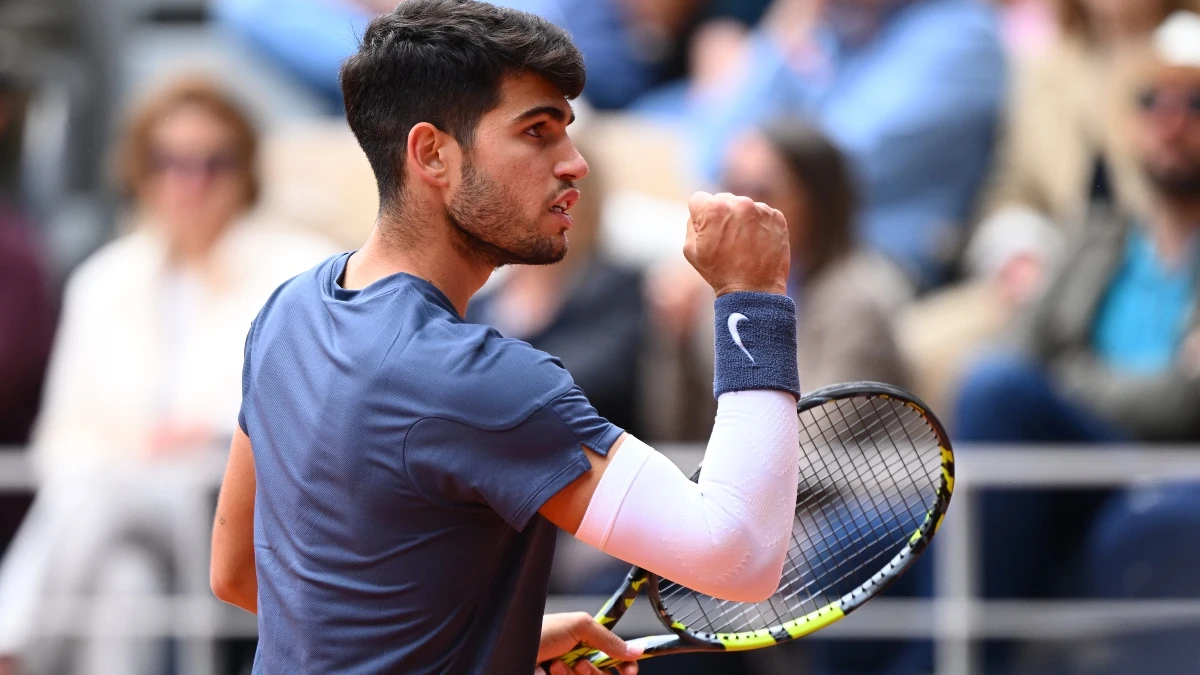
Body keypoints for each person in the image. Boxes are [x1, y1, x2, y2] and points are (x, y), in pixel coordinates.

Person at [209, 1, 806, 673]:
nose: (575, 163)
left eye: (568, 131)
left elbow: (241, 576)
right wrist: (753, 295)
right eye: (537, 131)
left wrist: (478, 641)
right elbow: (742, 555)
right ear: (432, 154)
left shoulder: (286, 312)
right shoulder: (481, 381)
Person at [0, 77, 338, 675]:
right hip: (115, 506)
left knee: (106, 504)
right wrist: (132, 454)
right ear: (140, 169)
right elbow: (61, 439)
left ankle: (13, 641)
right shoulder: (102, 281)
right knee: (124, 586)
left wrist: (207, 433)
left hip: (231, 497)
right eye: (170, 163)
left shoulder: (296, 274)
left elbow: (315, 413)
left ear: (246, 170)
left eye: (215, 163)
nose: (192, 183)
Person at [953, 9, 1200, 669]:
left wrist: (1064, 380)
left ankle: (948, 656)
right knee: (864, 534)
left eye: (1194, 103)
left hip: (1159, 472)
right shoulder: (1099, 236)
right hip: (1066, 460)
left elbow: (1180, 404)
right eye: (1154, 100)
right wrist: (1070, 379)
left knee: (1002, 393)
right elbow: (1018, 351)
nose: (1170, 120)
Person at [687, 0, 1007, 290]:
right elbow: (713, 149)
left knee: (702, 277)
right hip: (790, 242)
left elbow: (823, 169)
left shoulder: (961, 37)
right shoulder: (839, 25)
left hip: (873, 261)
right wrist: (783, 30)